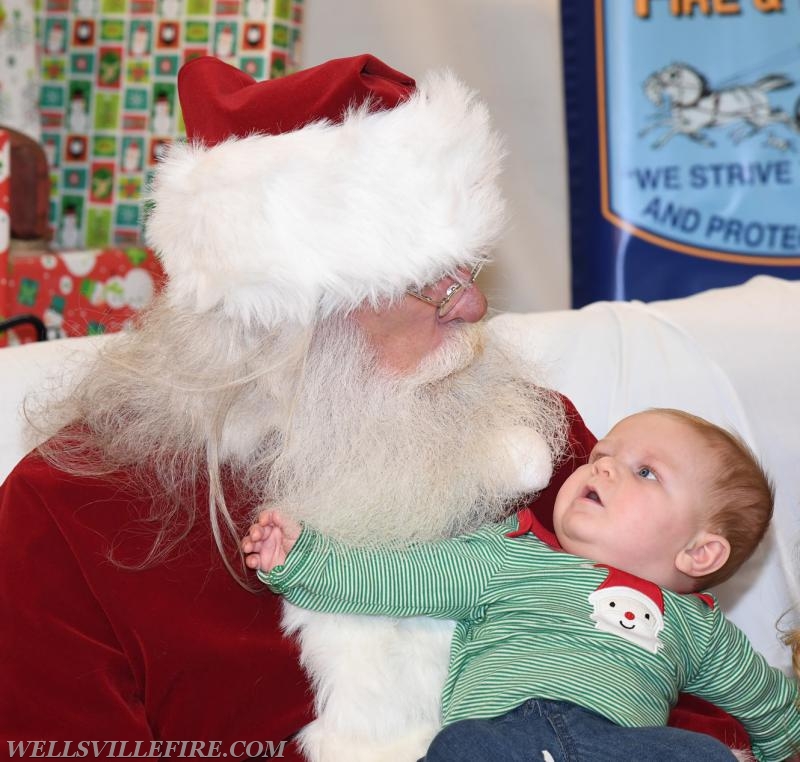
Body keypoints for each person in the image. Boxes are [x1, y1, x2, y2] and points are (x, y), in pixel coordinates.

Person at [0, 54, 754, 761]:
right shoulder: (70, 512)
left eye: (470, 267)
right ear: (289, 320)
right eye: (429, 280)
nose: (474, 303)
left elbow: (677, 663)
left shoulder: (521, 429)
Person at [244, 409, 800, 762]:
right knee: (457, 749)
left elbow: (774, 708)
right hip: (503, 736)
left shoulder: (699, 628)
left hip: (623, 747)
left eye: (644, 471)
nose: (601, 468)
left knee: (701, 755)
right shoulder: (508, 555)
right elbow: (395, 580)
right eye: (601, 455)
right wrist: (300, 559)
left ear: (699, 552)